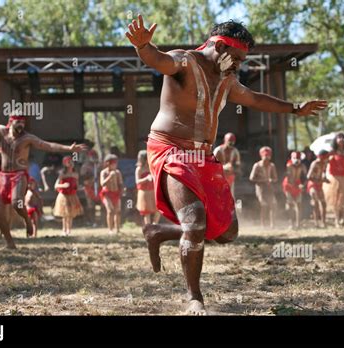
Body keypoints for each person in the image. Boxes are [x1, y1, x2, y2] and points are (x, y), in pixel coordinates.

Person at [126, 15, 327, 314]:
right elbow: (159, 61)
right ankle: (194, 297)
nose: (239, 65)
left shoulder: (227, 80)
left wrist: (294, 108)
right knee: (194, 222)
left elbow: (255, 99)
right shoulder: (185, 61)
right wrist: (143, 47)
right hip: (170, 149)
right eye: (236, 58)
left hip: (203, 156)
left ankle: (157, 232)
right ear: (219, 46)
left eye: (243, 60)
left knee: (227, 231)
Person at [0, 97, 88, 248]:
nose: (21, 125)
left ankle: (27, 221)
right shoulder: (1, 131)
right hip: (3, 176)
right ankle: (9, 241)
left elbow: (47, 145)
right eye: (18, 122)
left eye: (23, 122)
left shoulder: (28, 138)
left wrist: (68, 149)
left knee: (16, 202)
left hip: (19, 175)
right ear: (11, 121)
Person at [323, 133, 344, 228]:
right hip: (335, 179)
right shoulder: (332, 152)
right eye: (339, 138)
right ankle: (337, 219)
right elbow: (323, 163)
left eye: (342, 138)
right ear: (335, 140)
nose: (341, 140)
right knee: (336, 200)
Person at [53, 156, 84, 236]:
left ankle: (69, 230)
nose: (70, 164)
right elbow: (56, 185)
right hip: (64, 195)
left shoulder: (75, 174)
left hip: (72, 195)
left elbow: (76, 185)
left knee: (71, 213)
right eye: (68, 162)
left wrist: (79, 187)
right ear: (65, 164)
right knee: (65, 213)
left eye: (71, 162)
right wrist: (63, 185)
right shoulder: (62, 174)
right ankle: (64, 230)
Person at [249, 146, 277, 228]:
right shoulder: (257, 165)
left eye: (268, 157)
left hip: (269, 188)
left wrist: (271, 180)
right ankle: (263, 224)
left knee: (273, 204)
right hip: (260, 188)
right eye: (265, 157)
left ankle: (272, 224)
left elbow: (275, 178)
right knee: (264, 205)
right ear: (261, 156)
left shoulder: (272, 166)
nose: (267, 159)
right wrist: (262, 180)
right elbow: (251, 178)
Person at [282, 151, 306, 229]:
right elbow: (289, 179)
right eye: (295, 158)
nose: (296, 160)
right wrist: (297, 185)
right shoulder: (289, 165)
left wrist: (302, 184)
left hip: (298, 185)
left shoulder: (302, 166)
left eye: (298, 158)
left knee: (299, 205)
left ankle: (298, 224)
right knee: (290, 205)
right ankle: (291, 223)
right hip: (289, 186)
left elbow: (305, 177)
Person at [100, 154, 123, 233]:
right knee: (110, 211)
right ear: (108, 163)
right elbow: (102, 183)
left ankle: (117, 229)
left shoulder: (117, 172)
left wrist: (122, 190)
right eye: (113, 163)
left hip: (116, 193)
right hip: (106, 194)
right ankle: (110, 229)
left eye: (116, 163)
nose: (115, 165)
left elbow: (120, 183)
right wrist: (110, 176)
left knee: (118, 211)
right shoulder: (103, 172)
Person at [135, 150, 159, 225]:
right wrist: (146, 178)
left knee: (158, 209)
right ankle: (149, 229)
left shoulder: (152, 167)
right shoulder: (139, 169)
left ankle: (155, 225)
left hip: (153, 191)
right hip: (144, 192)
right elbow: (137, 181)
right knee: (147, 212)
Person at [213, 132, 241, 198]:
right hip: (219, 177)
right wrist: (223, 167)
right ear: (225, 141)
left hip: (230, 177)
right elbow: (212, 165)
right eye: (229, 142)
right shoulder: (218, 150)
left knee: (230, 196)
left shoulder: (235, 151)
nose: (231, 145)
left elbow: (238, 165)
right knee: (219, 196)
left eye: (232, 143)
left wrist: (233, 169)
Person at [307, 150, 329, 228]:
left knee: (323, 204)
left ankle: (323, 222)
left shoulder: (324, 164)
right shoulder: (315, 163)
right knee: (315, 203)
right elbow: (309, 176)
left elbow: (323, 173)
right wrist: (319, 180)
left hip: (319, 185)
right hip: (313, 185)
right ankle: (316, 222)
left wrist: (324, 179)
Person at [80, 149, 101, 226]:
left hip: (98, 187)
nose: (93, 158)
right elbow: (83, 177)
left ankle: (102, 221)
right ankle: (91, 221)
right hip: (89, 188)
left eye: (95, 156)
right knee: (90, 205)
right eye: (92, 156)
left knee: (102, 204)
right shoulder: (85, 166)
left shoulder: (99, 165)